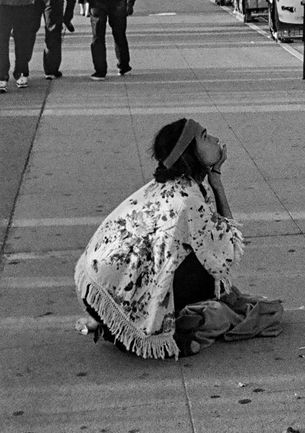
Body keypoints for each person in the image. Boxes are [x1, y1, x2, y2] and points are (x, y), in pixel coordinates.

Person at [74, 118, 284, 358]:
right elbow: (228, 247)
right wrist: (217, 183)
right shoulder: (187, 199)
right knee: (216, 291)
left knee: (206, 271)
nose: (215, 139)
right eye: (205, 136)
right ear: (189, 153)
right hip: (117, 292)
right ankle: (160, 331)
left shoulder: (171, 185)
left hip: (101, 288)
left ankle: (115, 327)